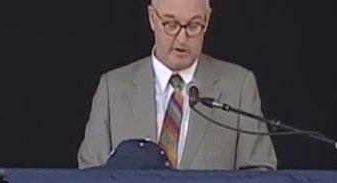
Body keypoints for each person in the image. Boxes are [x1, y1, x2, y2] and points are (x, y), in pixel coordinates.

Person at [77, 0, 277, 170]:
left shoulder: (239, 86)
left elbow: (259, 176)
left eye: (193, 26)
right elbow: (89, 179)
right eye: (171, 24)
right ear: (152, 18)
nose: (182, 38)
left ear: (207, 21)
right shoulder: (113, 88)